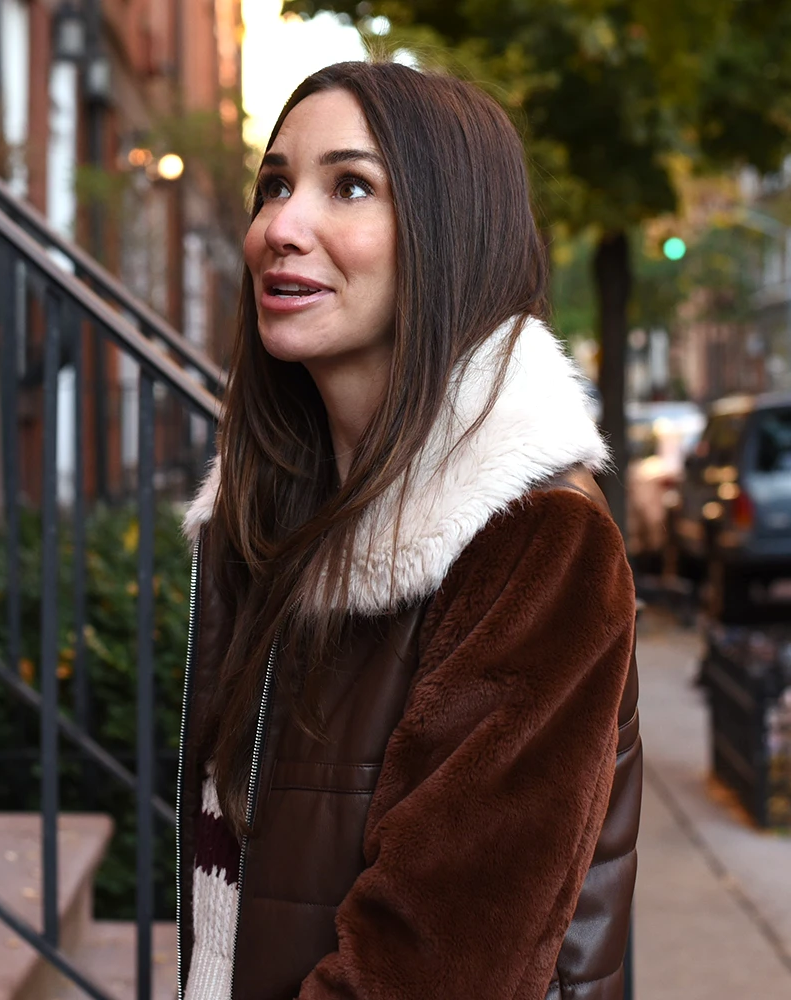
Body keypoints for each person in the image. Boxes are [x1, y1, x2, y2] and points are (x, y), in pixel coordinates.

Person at [178, 60, 640, 1000]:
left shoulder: (535, 544)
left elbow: (431, 967)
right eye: (275, 184)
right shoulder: (270, 531)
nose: (281, 228)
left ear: (447, 234)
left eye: (349, 186)